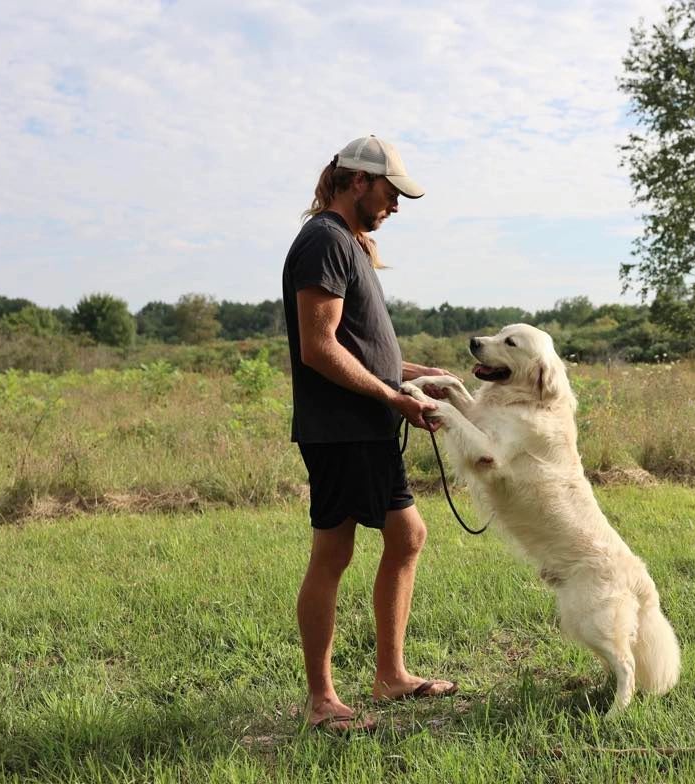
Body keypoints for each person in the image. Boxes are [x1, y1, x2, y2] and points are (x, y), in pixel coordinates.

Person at [281, 135, 459, 734]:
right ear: (358, 181)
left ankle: (390, 676)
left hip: (365, 427)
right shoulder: (325, 242)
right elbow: (318, 347)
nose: (396, 206)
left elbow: (363, 348)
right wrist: (391, 396)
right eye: (391, 192)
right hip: (342, 431)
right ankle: (323, 700)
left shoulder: (350, 244)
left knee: (406, 535)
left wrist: (418, 374)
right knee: (334, 554)